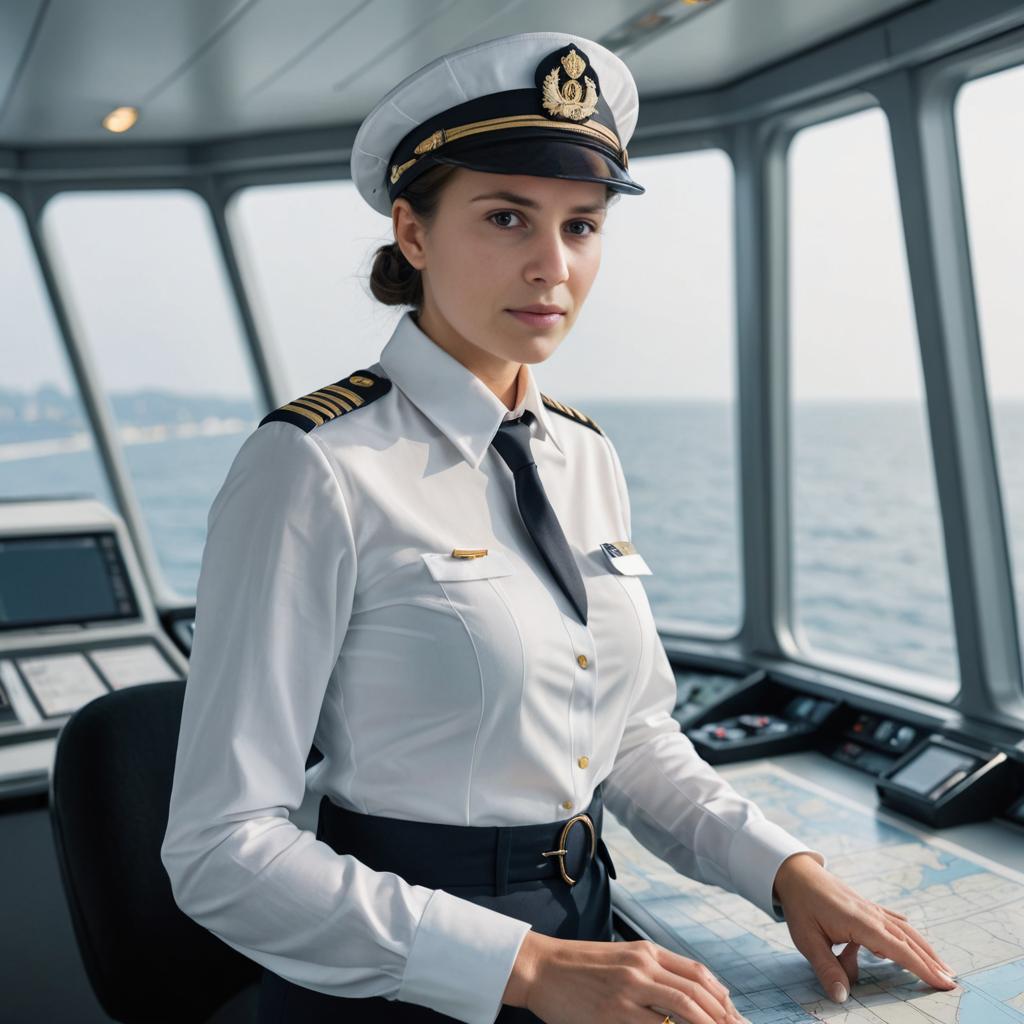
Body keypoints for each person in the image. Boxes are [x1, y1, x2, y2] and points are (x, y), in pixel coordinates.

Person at [160, 29, 958, 1024]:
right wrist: (520, 967)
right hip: (405, 968)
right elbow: (219, 847)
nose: (552, 265)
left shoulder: (583, 456)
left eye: (581, 226)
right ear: (412, 233)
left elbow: (627, 736)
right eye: (506, 217)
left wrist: (786, 870)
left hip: (589, 925)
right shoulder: (315, 466)